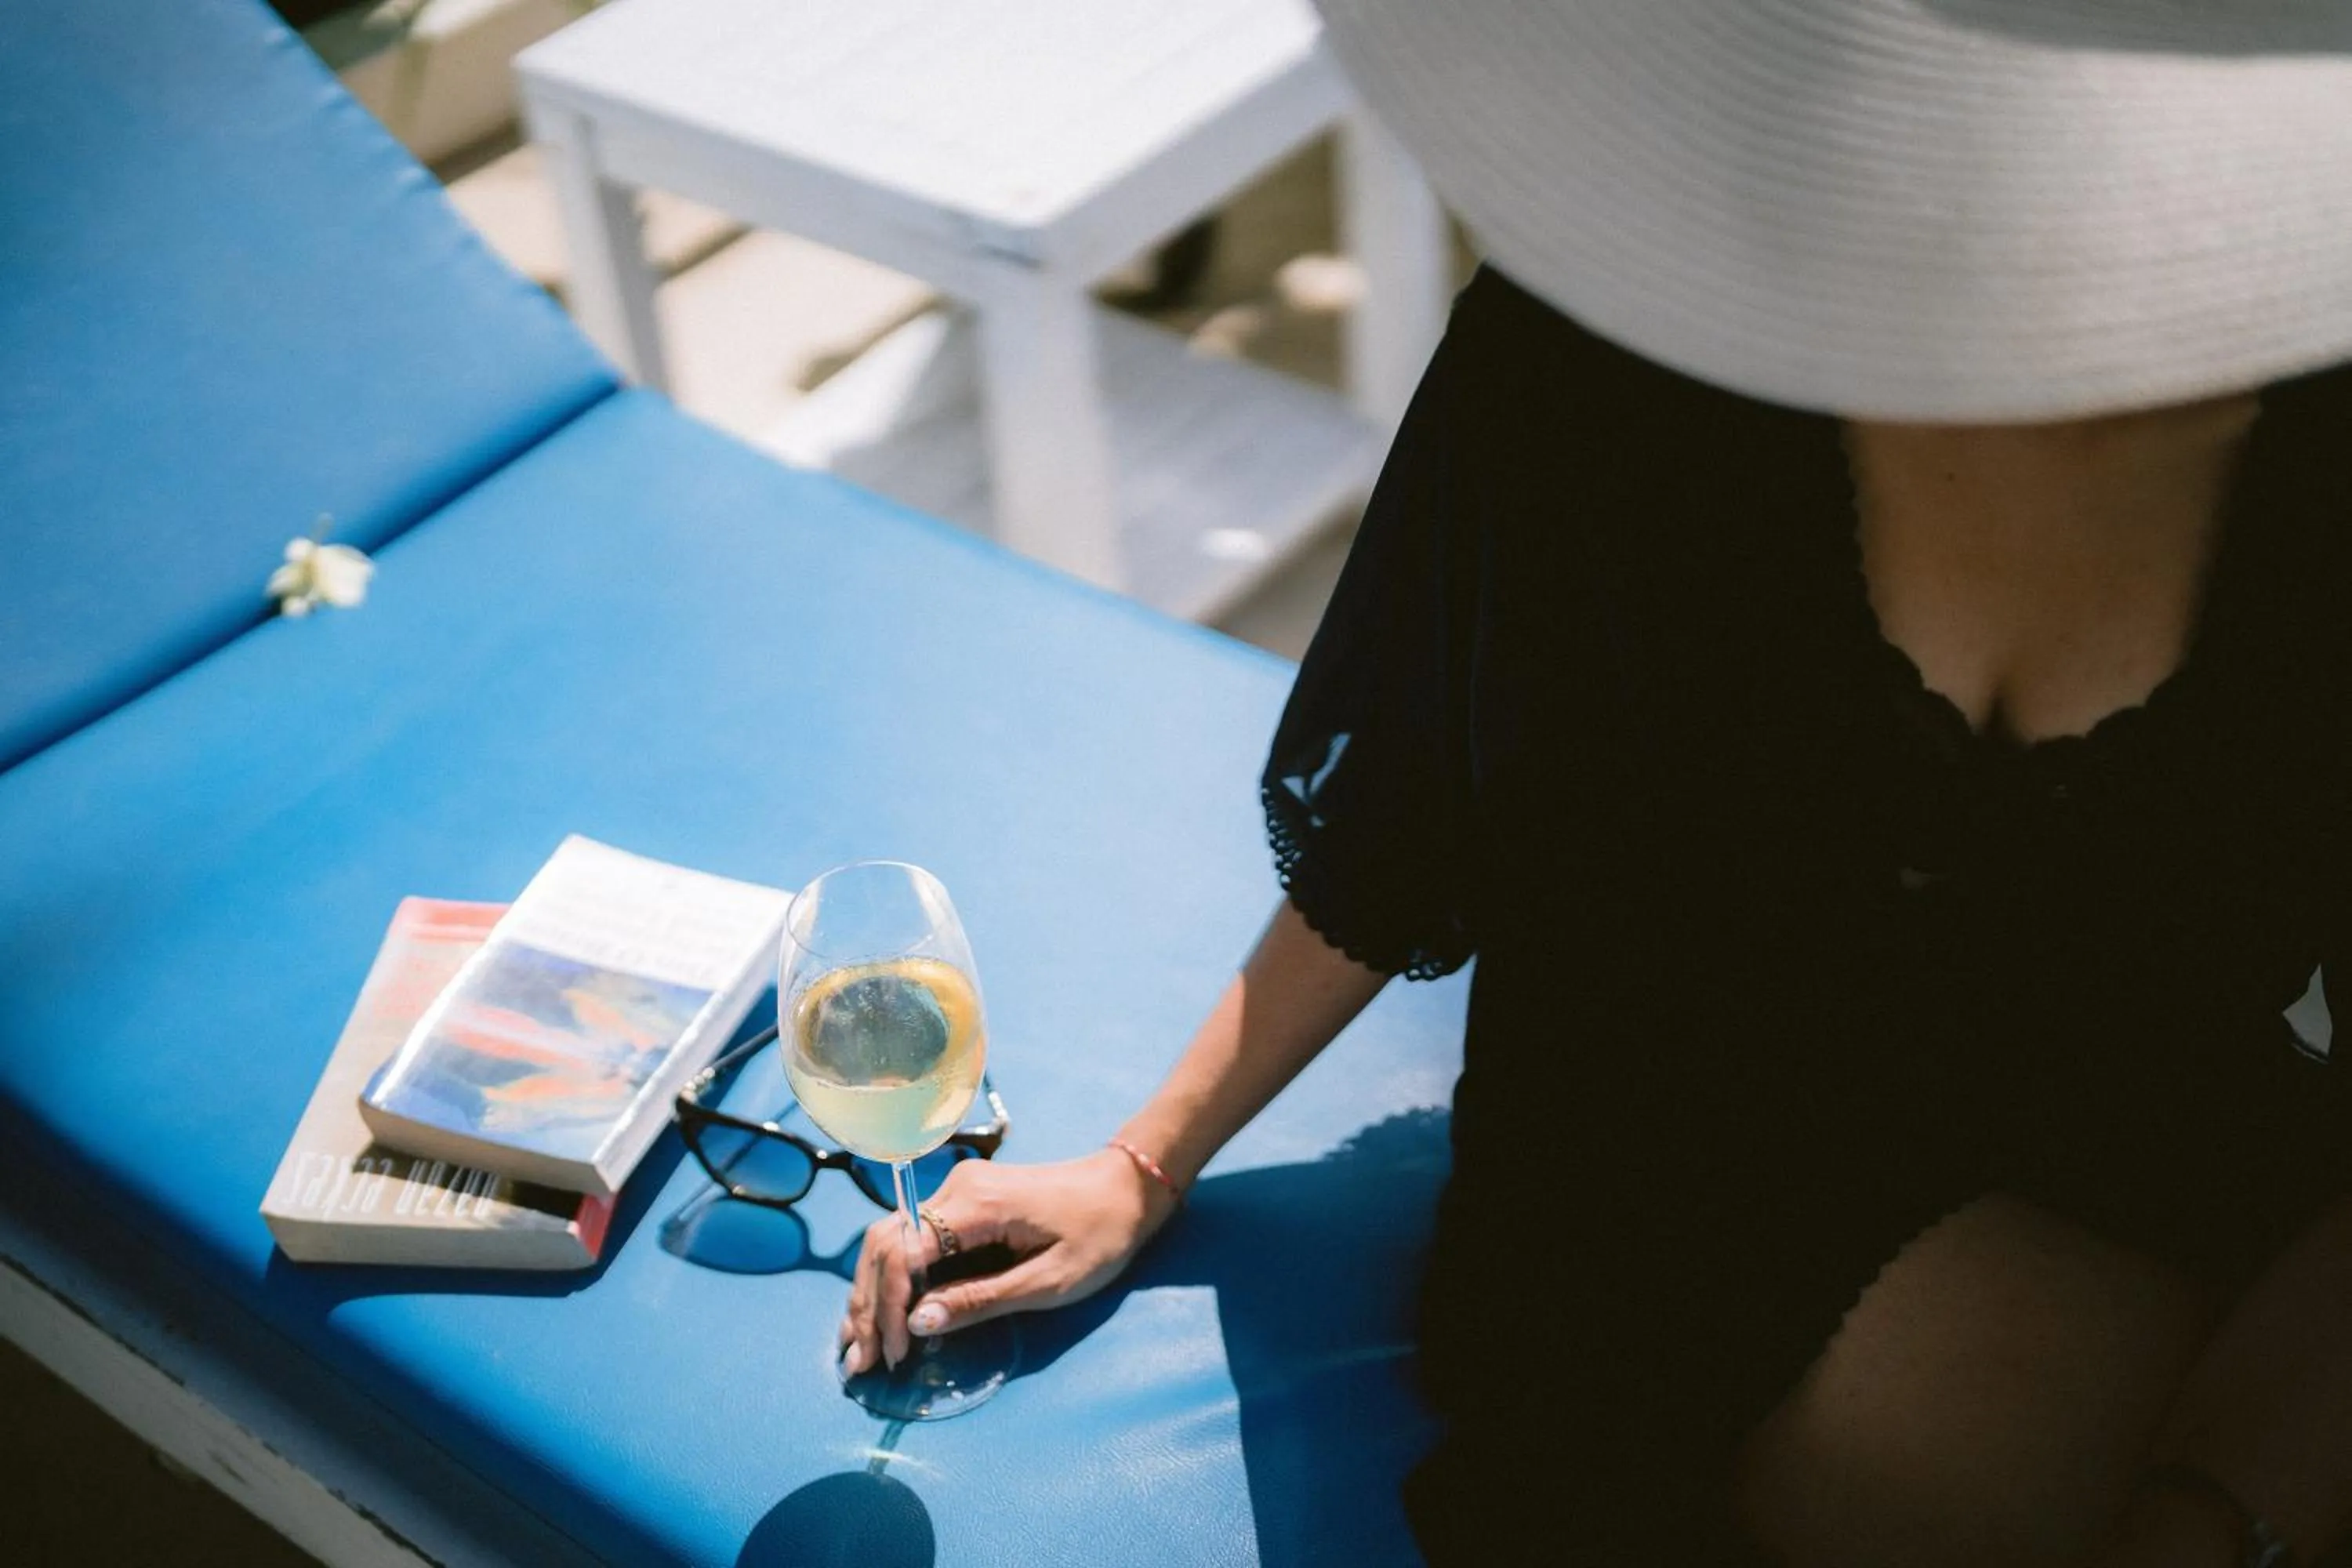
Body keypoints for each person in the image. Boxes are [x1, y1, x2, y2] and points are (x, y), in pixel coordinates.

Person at [844, 2, 2352, 1562]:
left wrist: (2218, 1508)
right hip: (1646, 1206)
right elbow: (1402, 814)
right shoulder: (1604, 353)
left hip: (2136, 1183)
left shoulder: (2325, 451)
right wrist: (1145, 1161)